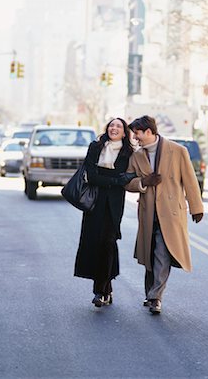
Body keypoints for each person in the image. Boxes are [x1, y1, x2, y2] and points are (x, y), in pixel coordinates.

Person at [125, 115, 204, 315]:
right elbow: (127, 182)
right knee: (149, 254)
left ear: (149, 132)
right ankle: (150, 293)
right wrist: (143, 183)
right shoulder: (136, 157)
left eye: (138, 134)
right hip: (148, 212)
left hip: (171, 213)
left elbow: (190, 180)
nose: (135, 138)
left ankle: (155, 297)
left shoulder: (178, 151)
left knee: (162, 253)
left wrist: (197, 207)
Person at [74, 118, 136, 308]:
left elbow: (126, 177)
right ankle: (105, 289)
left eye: (118, 126)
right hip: (94, 202)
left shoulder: (128, 153)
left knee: (108, 243)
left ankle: (100, 292)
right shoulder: (95, 147)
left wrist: (111, 179)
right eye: (111, 125)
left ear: (124, 133)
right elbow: (91, 176)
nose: (114, 128)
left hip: (114, 204)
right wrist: (115, 180)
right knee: (94, 243)